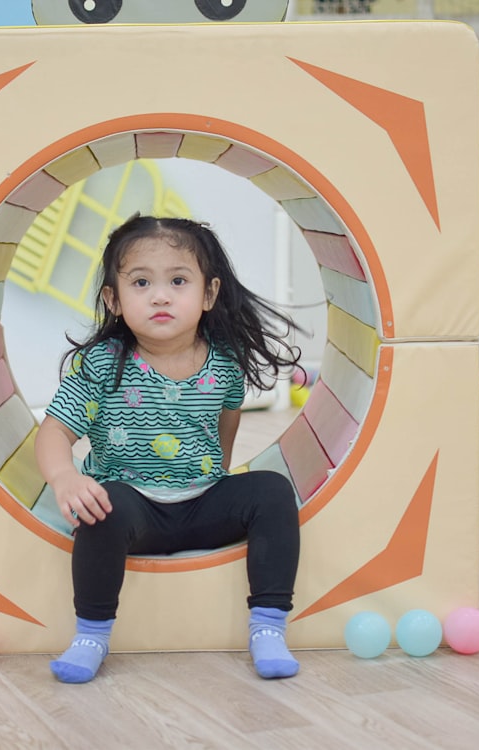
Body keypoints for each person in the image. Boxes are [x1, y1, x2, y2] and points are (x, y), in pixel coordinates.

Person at [35, 214, 304, 683]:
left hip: (202, 504)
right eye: (141, 282)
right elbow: (54, 432)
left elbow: (228, 416)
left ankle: (267, 625)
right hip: (134, 512)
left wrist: (218, 472)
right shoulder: (103, 364)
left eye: (178, 281)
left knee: (273, 492)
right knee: (104, 505)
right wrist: (65, 477)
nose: (160, 295)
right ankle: (92, 633)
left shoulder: (223, 362)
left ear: (208, 294)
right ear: (114, 301)